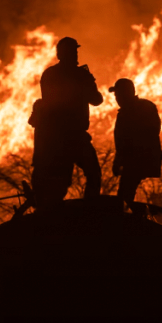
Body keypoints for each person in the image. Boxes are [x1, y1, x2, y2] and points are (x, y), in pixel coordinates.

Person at [30, 37, 104, 206]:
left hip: (54, 139)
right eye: (74, 51)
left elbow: (49, 101)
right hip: (74, 136)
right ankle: (89, 209)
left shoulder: (49, 75)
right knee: (93, 173)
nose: (76, 54)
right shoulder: (80, 75)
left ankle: (53, 214)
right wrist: (89, 82)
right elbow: (97, 100)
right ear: (67, 53)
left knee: (60, 183)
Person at [108, 78, 162, 212]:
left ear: (127, 93)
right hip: (134, 160)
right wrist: (118, 161)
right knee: (125, 194)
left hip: (138, 160)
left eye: (119, 94)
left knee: (124, 195)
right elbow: (122, 143)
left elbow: (150, 132)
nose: (117, 98)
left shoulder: (143, 108)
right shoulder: (130, 111)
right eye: (116, 95)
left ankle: (125, 220)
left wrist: (122, 159)